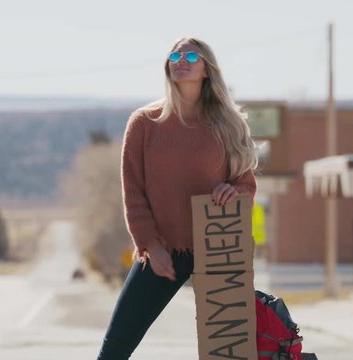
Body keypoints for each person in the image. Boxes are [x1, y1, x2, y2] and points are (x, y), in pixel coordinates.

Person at [96, 37, 258, 360]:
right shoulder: (144, 124)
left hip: (218, 247)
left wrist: (234, 191)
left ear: (207, 69)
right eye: (174, 55)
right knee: (114, 351)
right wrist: (150, 246)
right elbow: (134, 192)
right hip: (164, 251)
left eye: (191, 55)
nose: (180, 60)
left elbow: (246, 184)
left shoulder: (229, 125)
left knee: (230, 354)